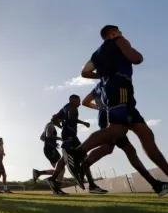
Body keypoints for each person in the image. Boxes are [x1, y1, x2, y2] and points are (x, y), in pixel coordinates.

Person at [65, 25, 168, 196]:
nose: (122, 34)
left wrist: (104, 74)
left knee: (145, 134)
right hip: (121, 88)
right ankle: (77, 154)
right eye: (119, 31)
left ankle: (159, 183)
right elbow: (136, 59)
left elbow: (85, 72)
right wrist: (136, 54)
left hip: (117, 93)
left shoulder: (97, 54)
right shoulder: (119, 41)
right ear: (112, 33)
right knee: (118, 132)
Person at [81, 82, 168, 197]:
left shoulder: (97, 87)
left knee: (114, 149)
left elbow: (85, 102)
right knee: (124, 150)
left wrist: (99, 108)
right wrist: (103, 107)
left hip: (105, 117)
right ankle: (81, 163)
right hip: (111, 118)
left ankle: (156, 184)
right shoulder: (108, 82)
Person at [46, 98, 107, 194]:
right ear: (72, 100)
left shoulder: (64, 108)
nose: (79, 103)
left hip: (68, 135)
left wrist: (62, 127)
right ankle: (91, 185)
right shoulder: (72, 107)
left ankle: (53, 179)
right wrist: (84, 123)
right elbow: (71, 118)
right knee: (84, 158)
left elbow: (53, 119)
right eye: (78, 100)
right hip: (71, 137)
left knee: (64, 159)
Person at [32, 115, 67, 195]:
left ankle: (39, 173)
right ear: (57, 120)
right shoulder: (50, 126)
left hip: (50, 148)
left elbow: (42, 138)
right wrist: (60, 139)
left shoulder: (48, 125)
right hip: (50, 149)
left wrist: (51, 143)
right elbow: (48, 136)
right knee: (60, 168)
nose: (60, 123)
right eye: (60, 121)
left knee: (60, 169)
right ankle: (56, 188)